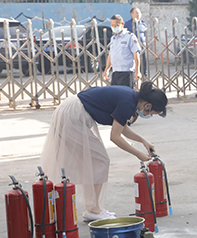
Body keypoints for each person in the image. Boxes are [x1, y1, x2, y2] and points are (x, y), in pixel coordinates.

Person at [40, 82, 167, 222]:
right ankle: (93, 210)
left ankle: (92, 208)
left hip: (73, 110)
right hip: (73, 115)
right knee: (100, 160)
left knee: (96, 160)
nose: (150, 115)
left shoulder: (131, 97)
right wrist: (138, 154)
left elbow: (121, 127)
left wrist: (143, 141)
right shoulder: (128, 102)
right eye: (153, 113)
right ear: (148, 106)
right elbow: (115, 137)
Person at [103, 14, 141, 88]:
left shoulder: (129, 37)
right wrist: (106, 70)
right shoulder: (113, 38)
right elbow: (111, 55)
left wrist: (137, 70)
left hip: (126, 73)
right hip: (115, 72)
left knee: (126, 96)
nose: (114, 27)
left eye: (116, 25)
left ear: (122, 24)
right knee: (115, 96)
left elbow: (136, 54)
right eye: (112, 25)